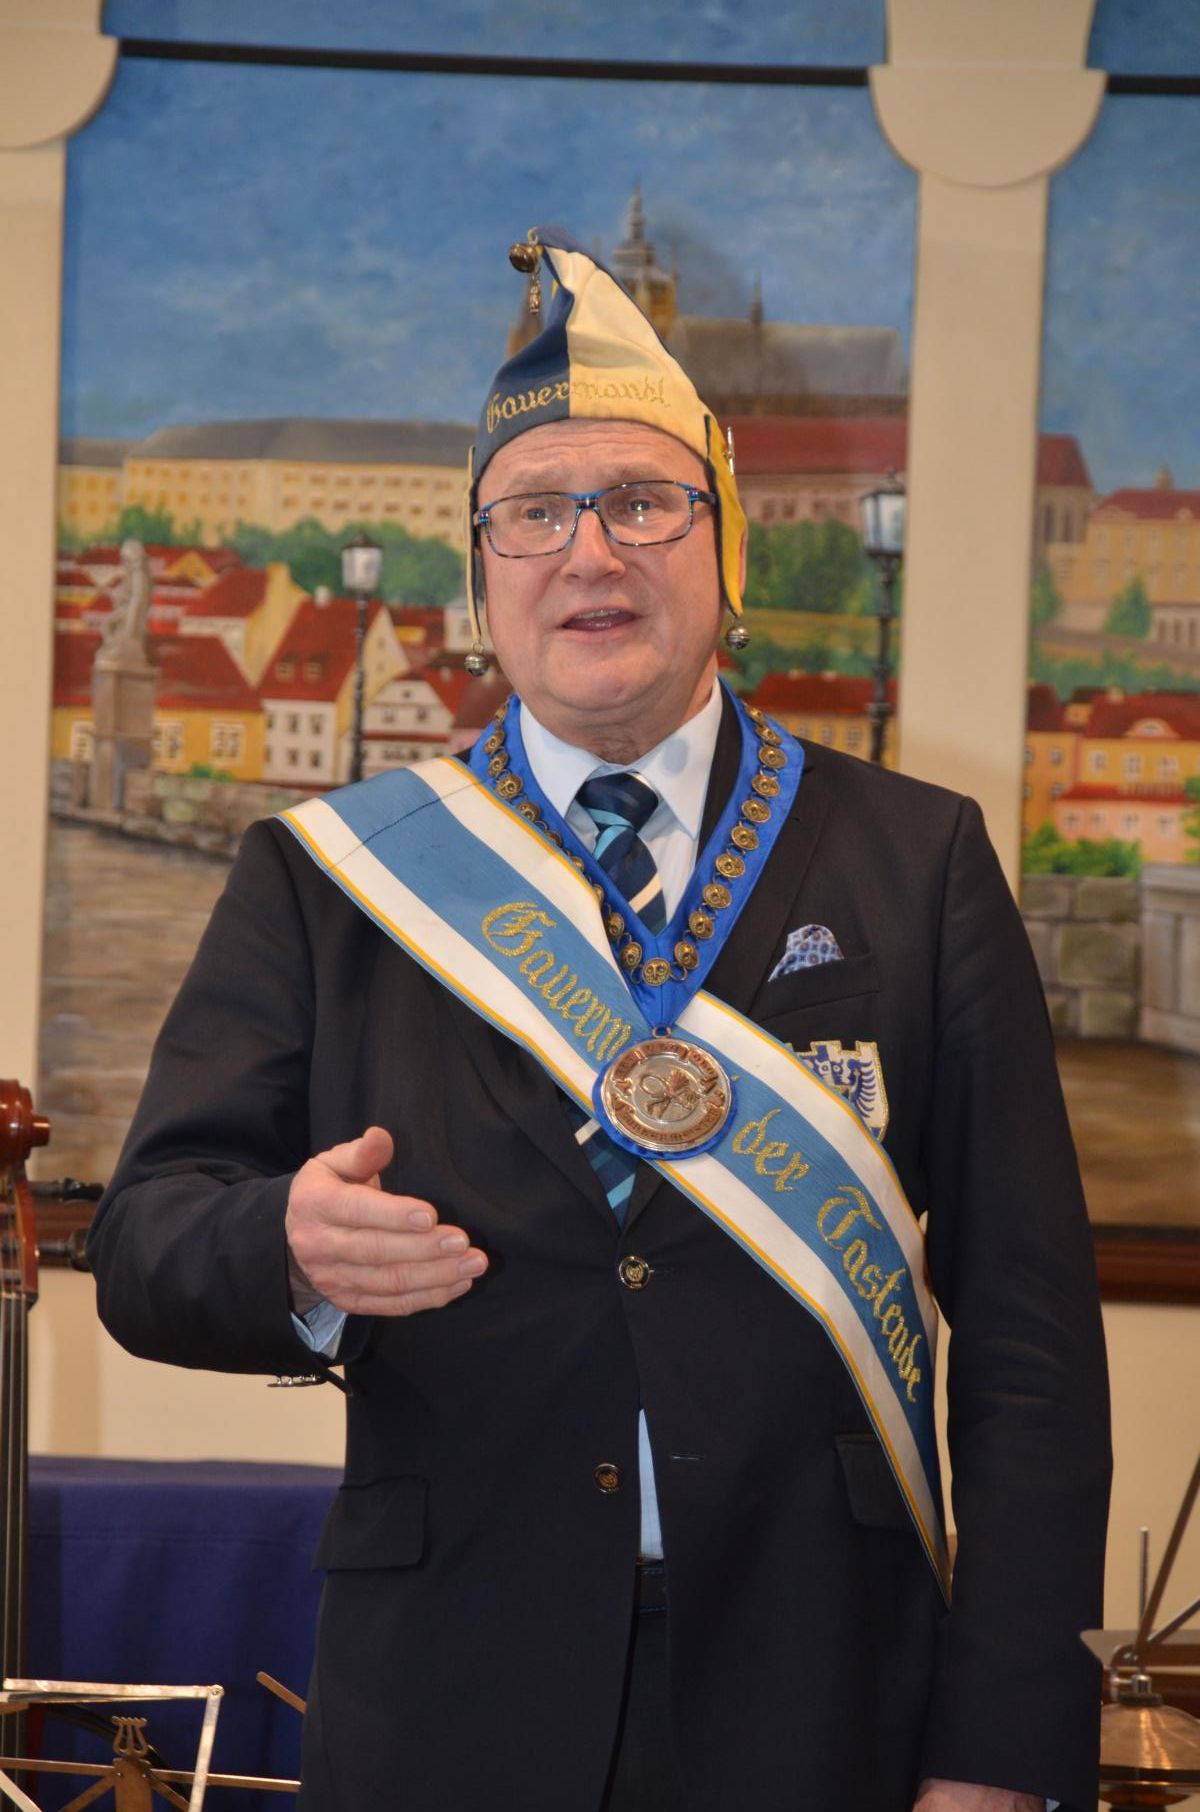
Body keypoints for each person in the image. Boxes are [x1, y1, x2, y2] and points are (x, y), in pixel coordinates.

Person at [88, 229, 1111, 1812]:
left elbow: (1032, 1339)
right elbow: (147, 1246)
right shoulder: (329, 877)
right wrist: (283, 1246)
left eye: (644, 502)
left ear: (725, 553)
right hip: (449, 1697)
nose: (591, 552)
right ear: (481, 569)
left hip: (830, 1692)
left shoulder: (919, 865)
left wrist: (1002, 1750)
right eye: (537, 511)